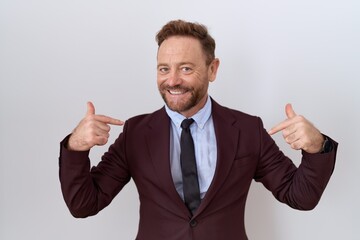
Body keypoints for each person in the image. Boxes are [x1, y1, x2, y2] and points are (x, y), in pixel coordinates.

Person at [59, 20, 338, 240]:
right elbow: (84, 203)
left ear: (212, 70)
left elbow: (300, 196)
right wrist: (75, 148)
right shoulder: (136, 133)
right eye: (164, 69)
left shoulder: (247, 129)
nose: (172, 80)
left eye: (186, 68)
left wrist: (316, 147)